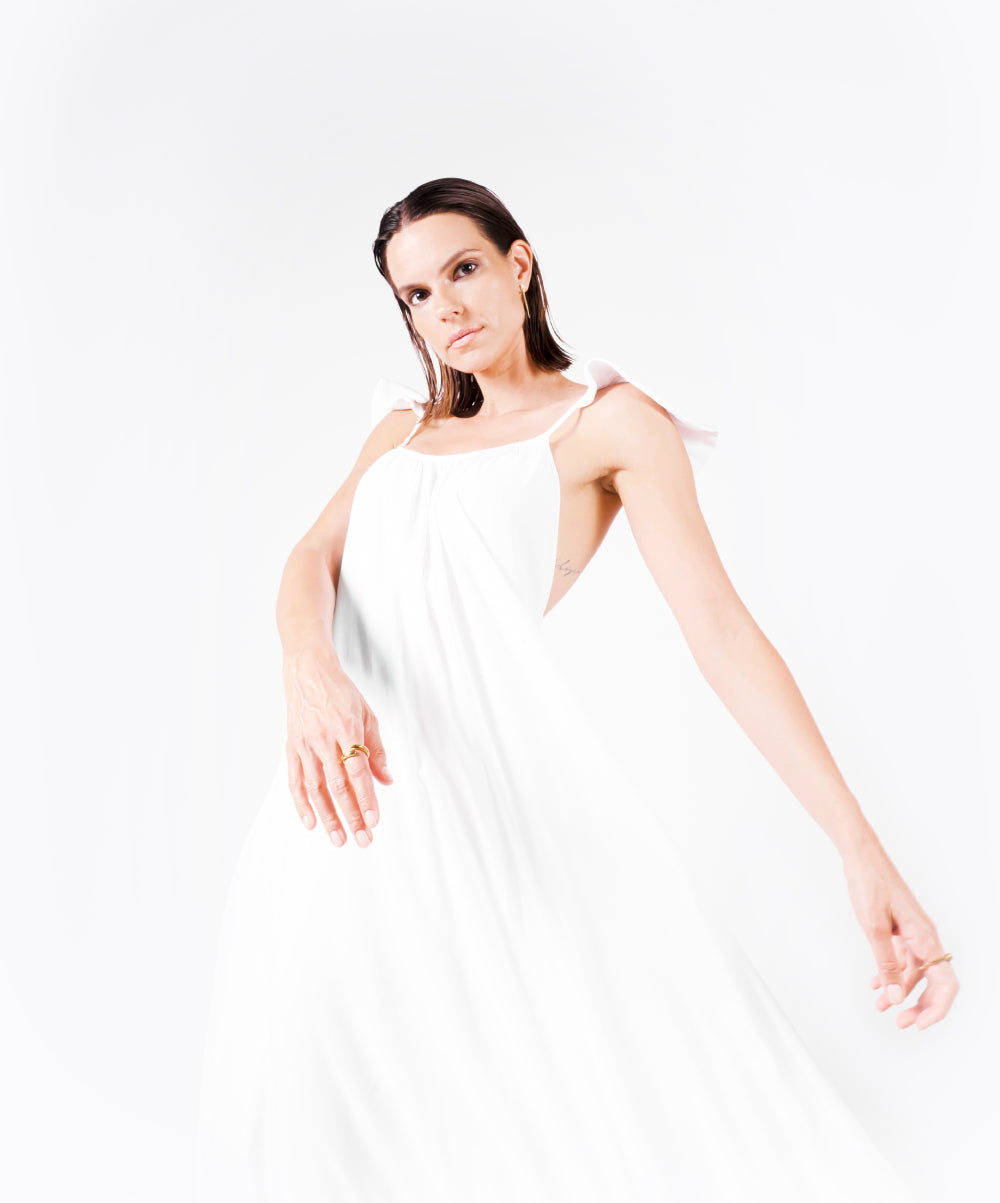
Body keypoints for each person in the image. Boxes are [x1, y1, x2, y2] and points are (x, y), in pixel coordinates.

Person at [195, 177, 957, 1202]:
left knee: (519, 1125)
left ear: (519, 264)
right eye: (416, 294)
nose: (444, 306)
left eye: (463, 268)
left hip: (476, 824)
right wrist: (308, 672)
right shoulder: (401, 431)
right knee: (295, 1116)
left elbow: (722, 632)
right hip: (333, 813)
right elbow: (308, 562)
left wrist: (858, 846)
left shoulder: (609, 423)